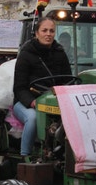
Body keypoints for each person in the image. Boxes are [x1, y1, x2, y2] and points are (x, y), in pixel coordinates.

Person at [12, 17, 71, 158]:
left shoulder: (60, 53)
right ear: (37, 33)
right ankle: (25, 156)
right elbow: (19, 88)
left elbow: (68, 79)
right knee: (32, 118)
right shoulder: (26, 55)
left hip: (54, 102)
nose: (48, 34)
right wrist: (32, 102)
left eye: (51, 31)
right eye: (44, 30)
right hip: (27, 102)